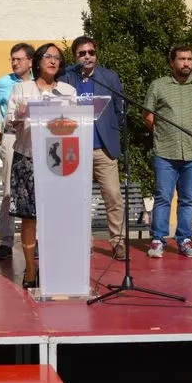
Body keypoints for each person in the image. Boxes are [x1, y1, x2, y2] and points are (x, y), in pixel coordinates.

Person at [5, 43, 77, 288]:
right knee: (29, 218)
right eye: (48, 56)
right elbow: (8, 123)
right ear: (37, 61)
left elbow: (78, 123)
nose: (53, 61)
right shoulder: (21, 88)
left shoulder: (68, 91)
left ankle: (52, 266)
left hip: (57, 161)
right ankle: (30, 269)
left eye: (57, 57)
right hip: (27, 158)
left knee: (54, 218)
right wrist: (21, 113)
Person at [59, 36, 127, 260]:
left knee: (113, 196)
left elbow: (119, 109)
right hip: (75, 149)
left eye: (91, 52)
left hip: (103, 149)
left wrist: (111, 131)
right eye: (82, 53)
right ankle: (82, 242)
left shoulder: (109, 77)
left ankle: (118, 242)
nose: (87, 57)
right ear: (75, 57)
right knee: (78, 200)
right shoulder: (66, 77)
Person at [144, 47, 192, 259]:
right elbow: (148, 116)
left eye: (189, 59)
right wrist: (164, 135)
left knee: (187, 199)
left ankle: (184, 240)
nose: (186, 63)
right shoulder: (158, 86)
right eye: (182, 59)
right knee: (163, 197)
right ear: (172, 62)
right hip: (165, 153)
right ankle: (158, 240)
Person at [0, 43, 35, 261]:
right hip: (12, 137)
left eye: (19, 59)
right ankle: (6, 241)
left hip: (34, 138)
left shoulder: (38, 84)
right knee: (8, 191)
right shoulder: (5, 83)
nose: (14, 63)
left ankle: (35, 240)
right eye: (12, 59)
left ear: (30, 62)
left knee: (34, 190)